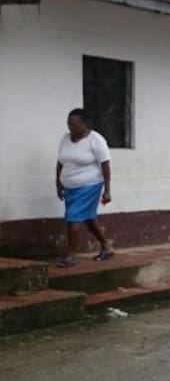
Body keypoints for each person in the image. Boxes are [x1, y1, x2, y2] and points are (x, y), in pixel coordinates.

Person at [55, 108, 114, 267]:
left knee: (73, 216)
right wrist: (58, 181)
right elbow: (60, 161)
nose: (70, 127)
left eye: (73, 124)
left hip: (89, 185)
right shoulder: (65, 139)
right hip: (70, 187)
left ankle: (71, 256)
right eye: (68, 123)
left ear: (85, 124)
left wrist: (107, 190)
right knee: (87, 217)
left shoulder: (96, 139)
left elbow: (105, 165)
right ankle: (107, 247)